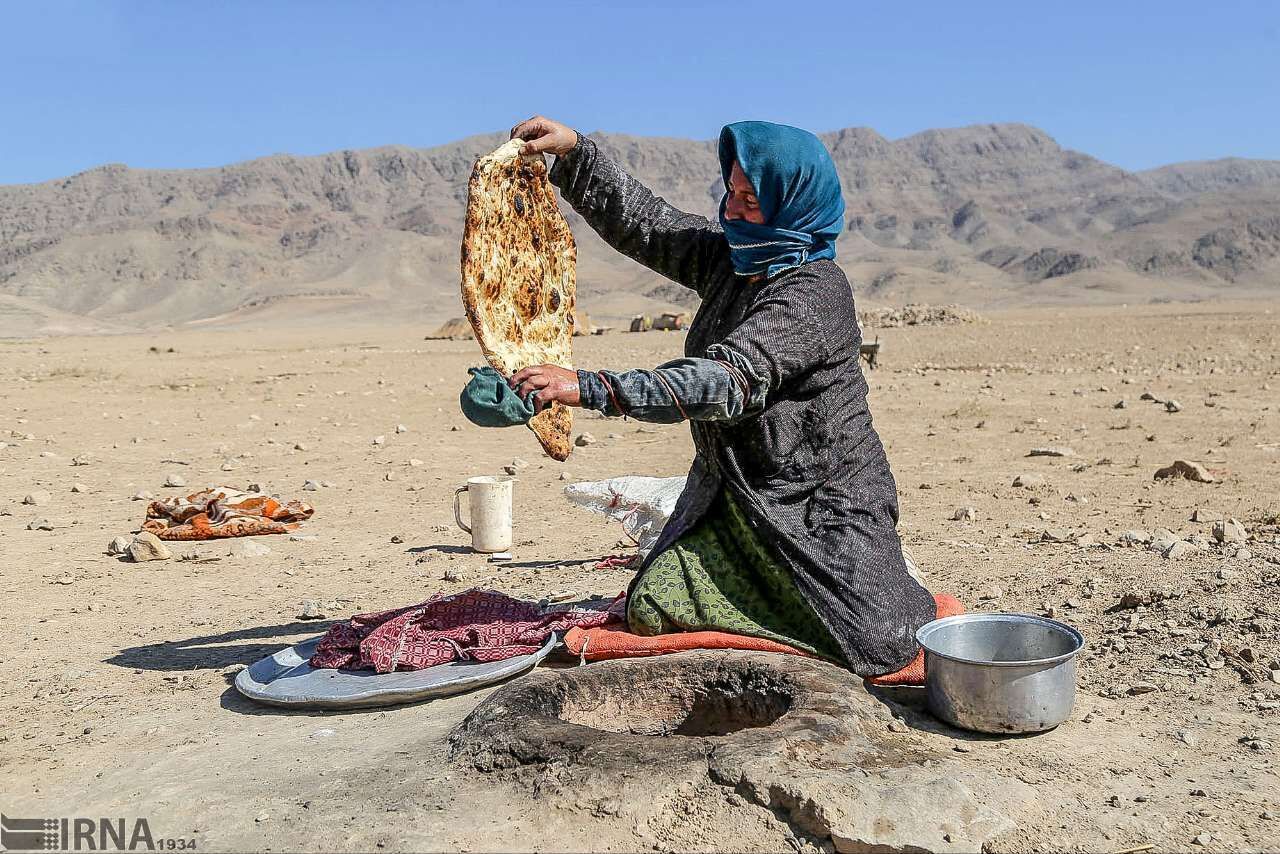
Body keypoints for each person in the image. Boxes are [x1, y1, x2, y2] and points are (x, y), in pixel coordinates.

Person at [506, 115, 939, 678]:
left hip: (818, 505)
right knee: (652, 604)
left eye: (751, 200)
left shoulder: (813, 294)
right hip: (735, 499)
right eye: (730, 193)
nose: (732, 210)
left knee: (880, 639)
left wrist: (587, 387)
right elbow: (649, 224)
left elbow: (723, 381)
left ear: (793, 204)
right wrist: (576, 155)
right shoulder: (733, 259)